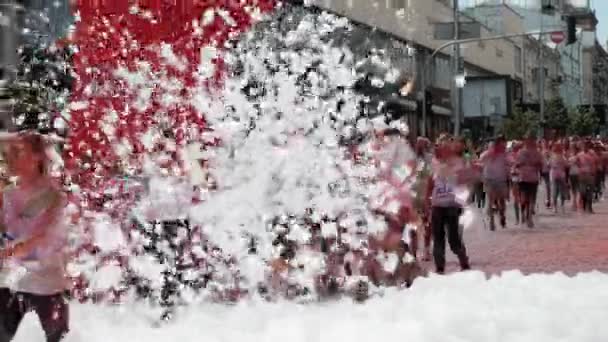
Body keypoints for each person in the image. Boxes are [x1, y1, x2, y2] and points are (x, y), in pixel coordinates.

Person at [0, 132, 69, 342]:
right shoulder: (8, 194)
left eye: (18, 151)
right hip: (11, 282)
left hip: (47, 284)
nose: (9, 156)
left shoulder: (55, 195)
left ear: (37, 157)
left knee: (58, 337)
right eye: (8, 151)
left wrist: (10, 250)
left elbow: (42, 238)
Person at [426, 137, 470, 274]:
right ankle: (440, 267)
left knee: (453, 239)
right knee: (438, 238)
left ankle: (463, 259)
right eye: (438, 148)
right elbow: (429, 184)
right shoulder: (432, 165)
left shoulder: (458, 163)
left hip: (452, 206)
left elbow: (463, 184)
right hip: (437, 206)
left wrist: (462, 202)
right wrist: (427, 203)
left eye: (443, 148)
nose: (440, 151)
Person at [478, 136, 510, 230]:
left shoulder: (504, 154)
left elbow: (510, 163)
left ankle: (502, 216)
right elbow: (480, 162)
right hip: (489, 180)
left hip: (501, 180)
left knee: (502, 201)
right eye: (492, 146)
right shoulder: (486, 154)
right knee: (491, 201)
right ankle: (491, 221)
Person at [516, 136, 543, 228]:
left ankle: (527, 216)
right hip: (528, 178)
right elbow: (540, 165)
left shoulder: (524, 152)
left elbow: (517, 165)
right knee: (528, 199)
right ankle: (527, 217)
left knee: (528, 199)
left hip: (528, 178)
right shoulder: (534, 152)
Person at [549, 143, 568, 213]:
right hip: (561, 175)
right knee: (561, 191)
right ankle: (562, 206)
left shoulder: (552, 156)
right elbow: (566, 165)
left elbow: (549, 164)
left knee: (555, 191)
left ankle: (555, 207)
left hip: (554, 175)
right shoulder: (563, 156)